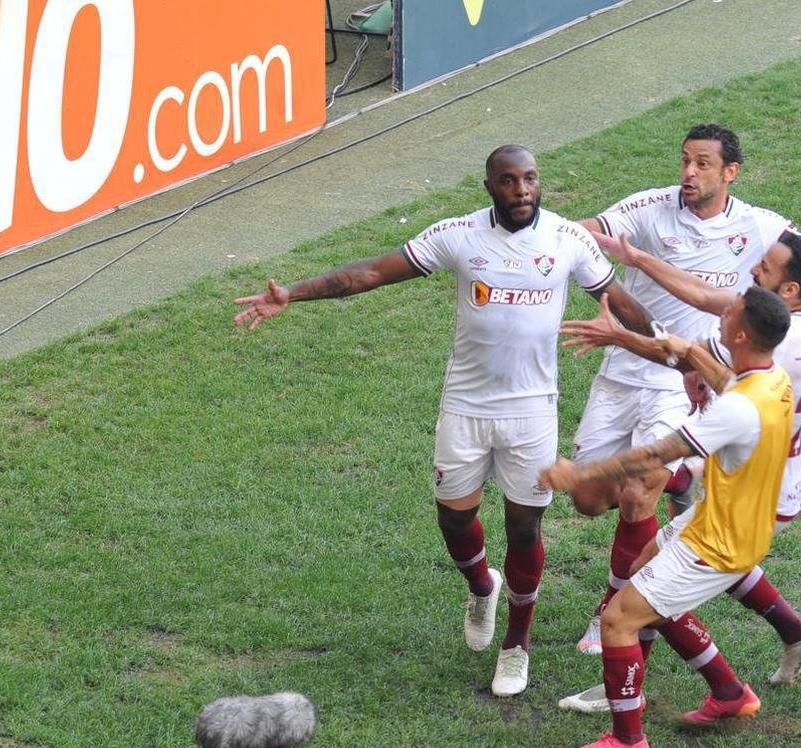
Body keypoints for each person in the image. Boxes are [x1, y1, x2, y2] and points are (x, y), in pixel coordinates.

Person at [233, 145, 652, 697]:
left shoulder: (567, 241)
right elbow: (368, 275)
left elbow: (620, 302)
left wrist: (672, 355)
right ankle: (482, 587)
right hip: (466, 406)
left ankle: (516, 645)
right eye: (508, 181)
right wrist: (293, 293)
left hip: (531, 411)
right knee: (455, 522)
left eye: (529, 179)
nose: (522, 190)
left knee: (524, 528)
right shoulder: (459, 234)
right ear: (489, 187)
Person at [567, 122, 801, 658]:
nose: (689, 173)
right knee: (592, 500)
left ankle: (620, 631)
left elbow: (711, 308)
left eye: (702, 163)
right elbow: (581, 233)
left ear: (731, 172)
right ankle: (788, 639)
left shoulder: (759, 241)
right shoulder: (651, 209)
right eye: (684, 161)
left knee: (648, 502)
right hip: (657, 379)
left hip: (694, 390)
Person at [555, 233, 801, 714]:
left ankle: (643, 722)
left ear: (787, 293)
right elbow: (714, 361)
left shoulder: (760, 368)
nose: (752, 273)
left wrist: (581, 473)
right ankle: (770, 654)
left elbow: (670, 437)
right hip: (764, 482)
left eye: (764, 269)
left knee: (645, 598)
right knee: (651, 573)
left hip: (748, 497)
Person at [540, 285, 794, 748]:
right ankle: (729, 691)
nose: (720, 316)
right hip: (724, 521)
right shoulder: (771, 378)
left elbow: (657, 455)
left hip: (715, 544)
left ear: (740, 333)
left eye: (728, 314)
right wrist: (692, 350)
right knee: (644, 578)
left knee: (618, 620)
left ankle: (628, 740)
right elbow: (730, 383)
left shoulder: (737, 409)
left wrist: (582, 474)